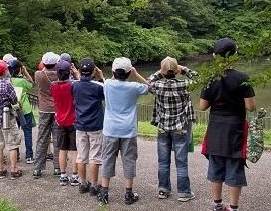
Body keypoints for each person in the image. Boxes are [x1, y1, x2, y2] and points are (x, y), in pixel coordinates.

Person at [199, 38, 256, 211]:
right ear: (235, 56)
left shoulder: (210, 78)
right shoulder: (243, 78)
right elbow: (251, 107)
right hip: (236, 129)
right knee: (234, 167)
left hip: (216, 128)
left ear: (215, 56)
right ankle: (233, 207)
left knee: (215, 166)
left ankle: (217, 205)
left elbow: (202, 106)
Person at [98, 57, 149, 206]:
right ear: (128, 73)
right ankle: (128, 194)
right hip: (128, 130)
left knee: (107, 159)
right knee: (129, 160)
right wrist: (136, 74)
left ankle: (104, 194)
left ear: (113, 71)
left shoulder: (107, 84)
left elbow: (109, 79)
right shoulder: (134, 87)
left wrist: (116, 73)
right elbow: (150, 86)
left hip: (110, 129)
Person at [147, 57, 198, 202]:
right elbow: (201, 80)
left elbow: (148, 81)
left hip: (163, 128)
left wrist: (161, 72)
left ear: (162, 73)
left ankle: (163, 190)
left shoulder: (157, 86)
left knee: (163, 161)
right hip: (180, 128)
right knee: (181, 162)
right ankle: (184, 193)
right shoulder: (185, 85)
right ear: (176, 71)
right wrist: (184, 69)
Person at [72, 58, 106, 196]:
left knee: (81, 156)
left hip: (80, 125)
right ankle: (94, 185)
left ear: (79, 71)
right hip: (96, 125)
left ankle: (82, 183)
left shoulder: (74, 85)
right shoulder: (98, 86)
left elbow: (80, 85)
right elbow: (108, 93)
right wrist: (101, 77)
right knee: (95, 156)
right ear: (93, 72)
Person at [51, 60, 81, 186]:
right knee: (74, 150)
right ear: (69, 72)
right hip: (73, 121)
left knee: (62, 149)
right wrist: (77, 74)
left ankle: (63, 175)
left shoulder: (53, 86)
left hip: (60, 121)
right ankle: (75, 176)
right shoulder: (73, 85)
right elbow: (81, 85)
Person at [32, 52, 62, 178]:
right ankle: (57, 168)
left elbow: (43, 69)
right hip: (56, 110)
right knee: (57, 139)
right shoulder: (60, 75)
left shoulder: (38, 75)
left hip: (44, 110)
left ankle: (38, 169)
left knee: (42, 138)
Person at [7, 59, 35, 164]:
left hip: (13, 110)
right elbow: (32, 83)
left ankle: (16, 155)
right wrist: (26, 72)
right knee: (27, 132)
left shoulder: (9, 81)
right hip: (25, 110)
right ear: (20, 69)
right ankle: (29, 156)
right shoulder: (23, 81)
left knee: (15, 133)